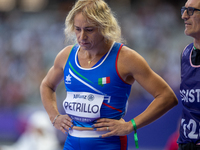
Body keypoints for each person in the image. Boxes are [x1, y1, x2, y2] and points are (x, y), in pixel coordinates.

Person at [40, 0, 178, 149]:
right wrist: (54, 117)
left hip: (108, 143)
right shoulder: (66, 55)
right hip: (72, 142)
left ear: (104, 27)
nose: (82, 36)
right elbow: (46, 85)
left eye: (89, 29)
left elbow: (167, 96)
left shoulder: (125, 58)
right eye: (77, 29)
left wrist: (132, 125)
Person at [177, 0, 200, 149]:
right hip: (186, 144)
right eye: (184, 10)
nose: (184, 16)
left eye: (190, 10)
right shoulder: (186, 54)